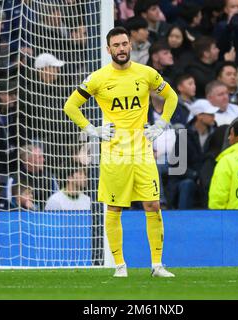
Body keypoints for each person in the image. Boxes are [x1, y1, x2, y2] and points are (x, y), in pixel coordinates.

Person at [63, 27, 178, 278]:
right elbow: (70, 106)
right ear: (108, 49)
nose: (122, 48)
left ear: (130, 45)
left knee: (153, 204)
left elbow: (172, 97)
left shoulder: (146, 73)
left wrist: (161, 124)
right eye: (116, 45)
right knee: (114, 208)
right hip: (114, 153)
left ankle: (157, 265)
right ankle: (119, 265)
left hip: (142, 151)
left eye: (125, 44)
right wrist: (92, 130)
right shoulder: (98, 78)